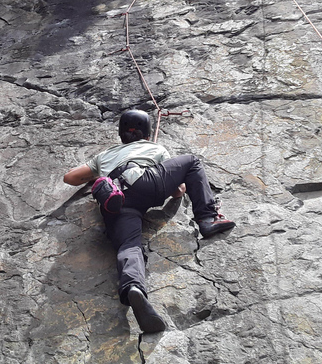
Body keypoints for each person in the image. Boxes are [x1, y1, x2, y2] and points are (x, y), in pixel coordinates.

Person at [63, 109, 235, 333]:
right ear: (147, 132)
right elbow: (178, 192)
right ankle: (207, 219)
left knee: (129, 246)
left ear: (121, 133)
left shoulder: (104, 155)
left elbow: (70, 178)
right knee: (192, 162)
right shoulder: (155, 148)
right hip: (146, 182)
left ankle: (133, 286)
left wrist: (98, 173)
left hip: (116, 198)